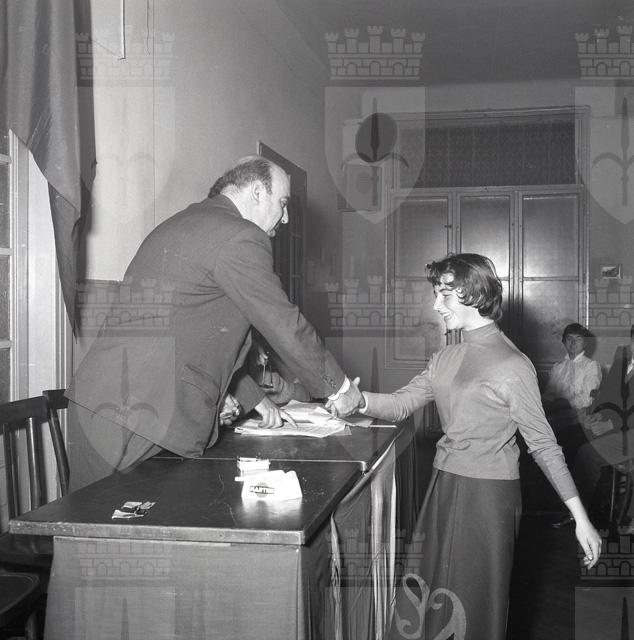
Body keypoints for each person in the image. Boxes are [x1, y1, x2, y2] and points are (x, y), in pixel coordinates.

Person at [333, 253, 601, 640]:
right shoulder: (446, 356)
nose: (436, 305)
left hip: (488, 497)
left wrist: (581, 518)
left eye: (444, 295)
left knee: (472, 604)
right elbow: (402, 403)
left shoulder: (513, 365)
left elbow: (544, 446)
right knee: (427, 594)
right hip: (443, 486)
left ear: (474, 294)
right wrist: (358, 400)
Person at [65, 155, 361, 490]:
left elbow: (195, 330)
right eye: (282, 203)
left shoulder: (187, 222)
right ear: (257, 192)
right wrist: (339, 388)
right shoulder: (241, 236)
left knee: (98, 518)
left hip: (109, 403)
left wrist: (255, 398)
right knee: (100, 520)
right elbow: (283, 322)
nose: (286, 217)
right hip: (133, 413)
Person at [572, 324, 634, 529]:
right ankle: (586, 509)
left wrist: (611, 424)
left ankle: (584, 515)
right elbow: (608, 394)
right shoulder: (622, 357)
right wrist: (597, 414)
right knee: (570, 438)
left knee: (587, 453)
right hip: (616, 425)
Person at [542, 323, 602, 528]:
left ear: (585, 343)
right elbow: (547, 396)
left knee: (564, 449)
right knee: (541, 447)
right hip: (557, 420)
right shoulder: (558, 367)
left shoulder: (591, 366)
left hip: (580, 422)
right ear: (563, 342)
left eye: (578, 339)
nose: (573, 343)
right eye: (569, 339)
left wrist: (561, 401)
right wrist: (554, 402)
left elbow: (586, 399)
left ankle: (571, 509)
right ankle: (550, 504)